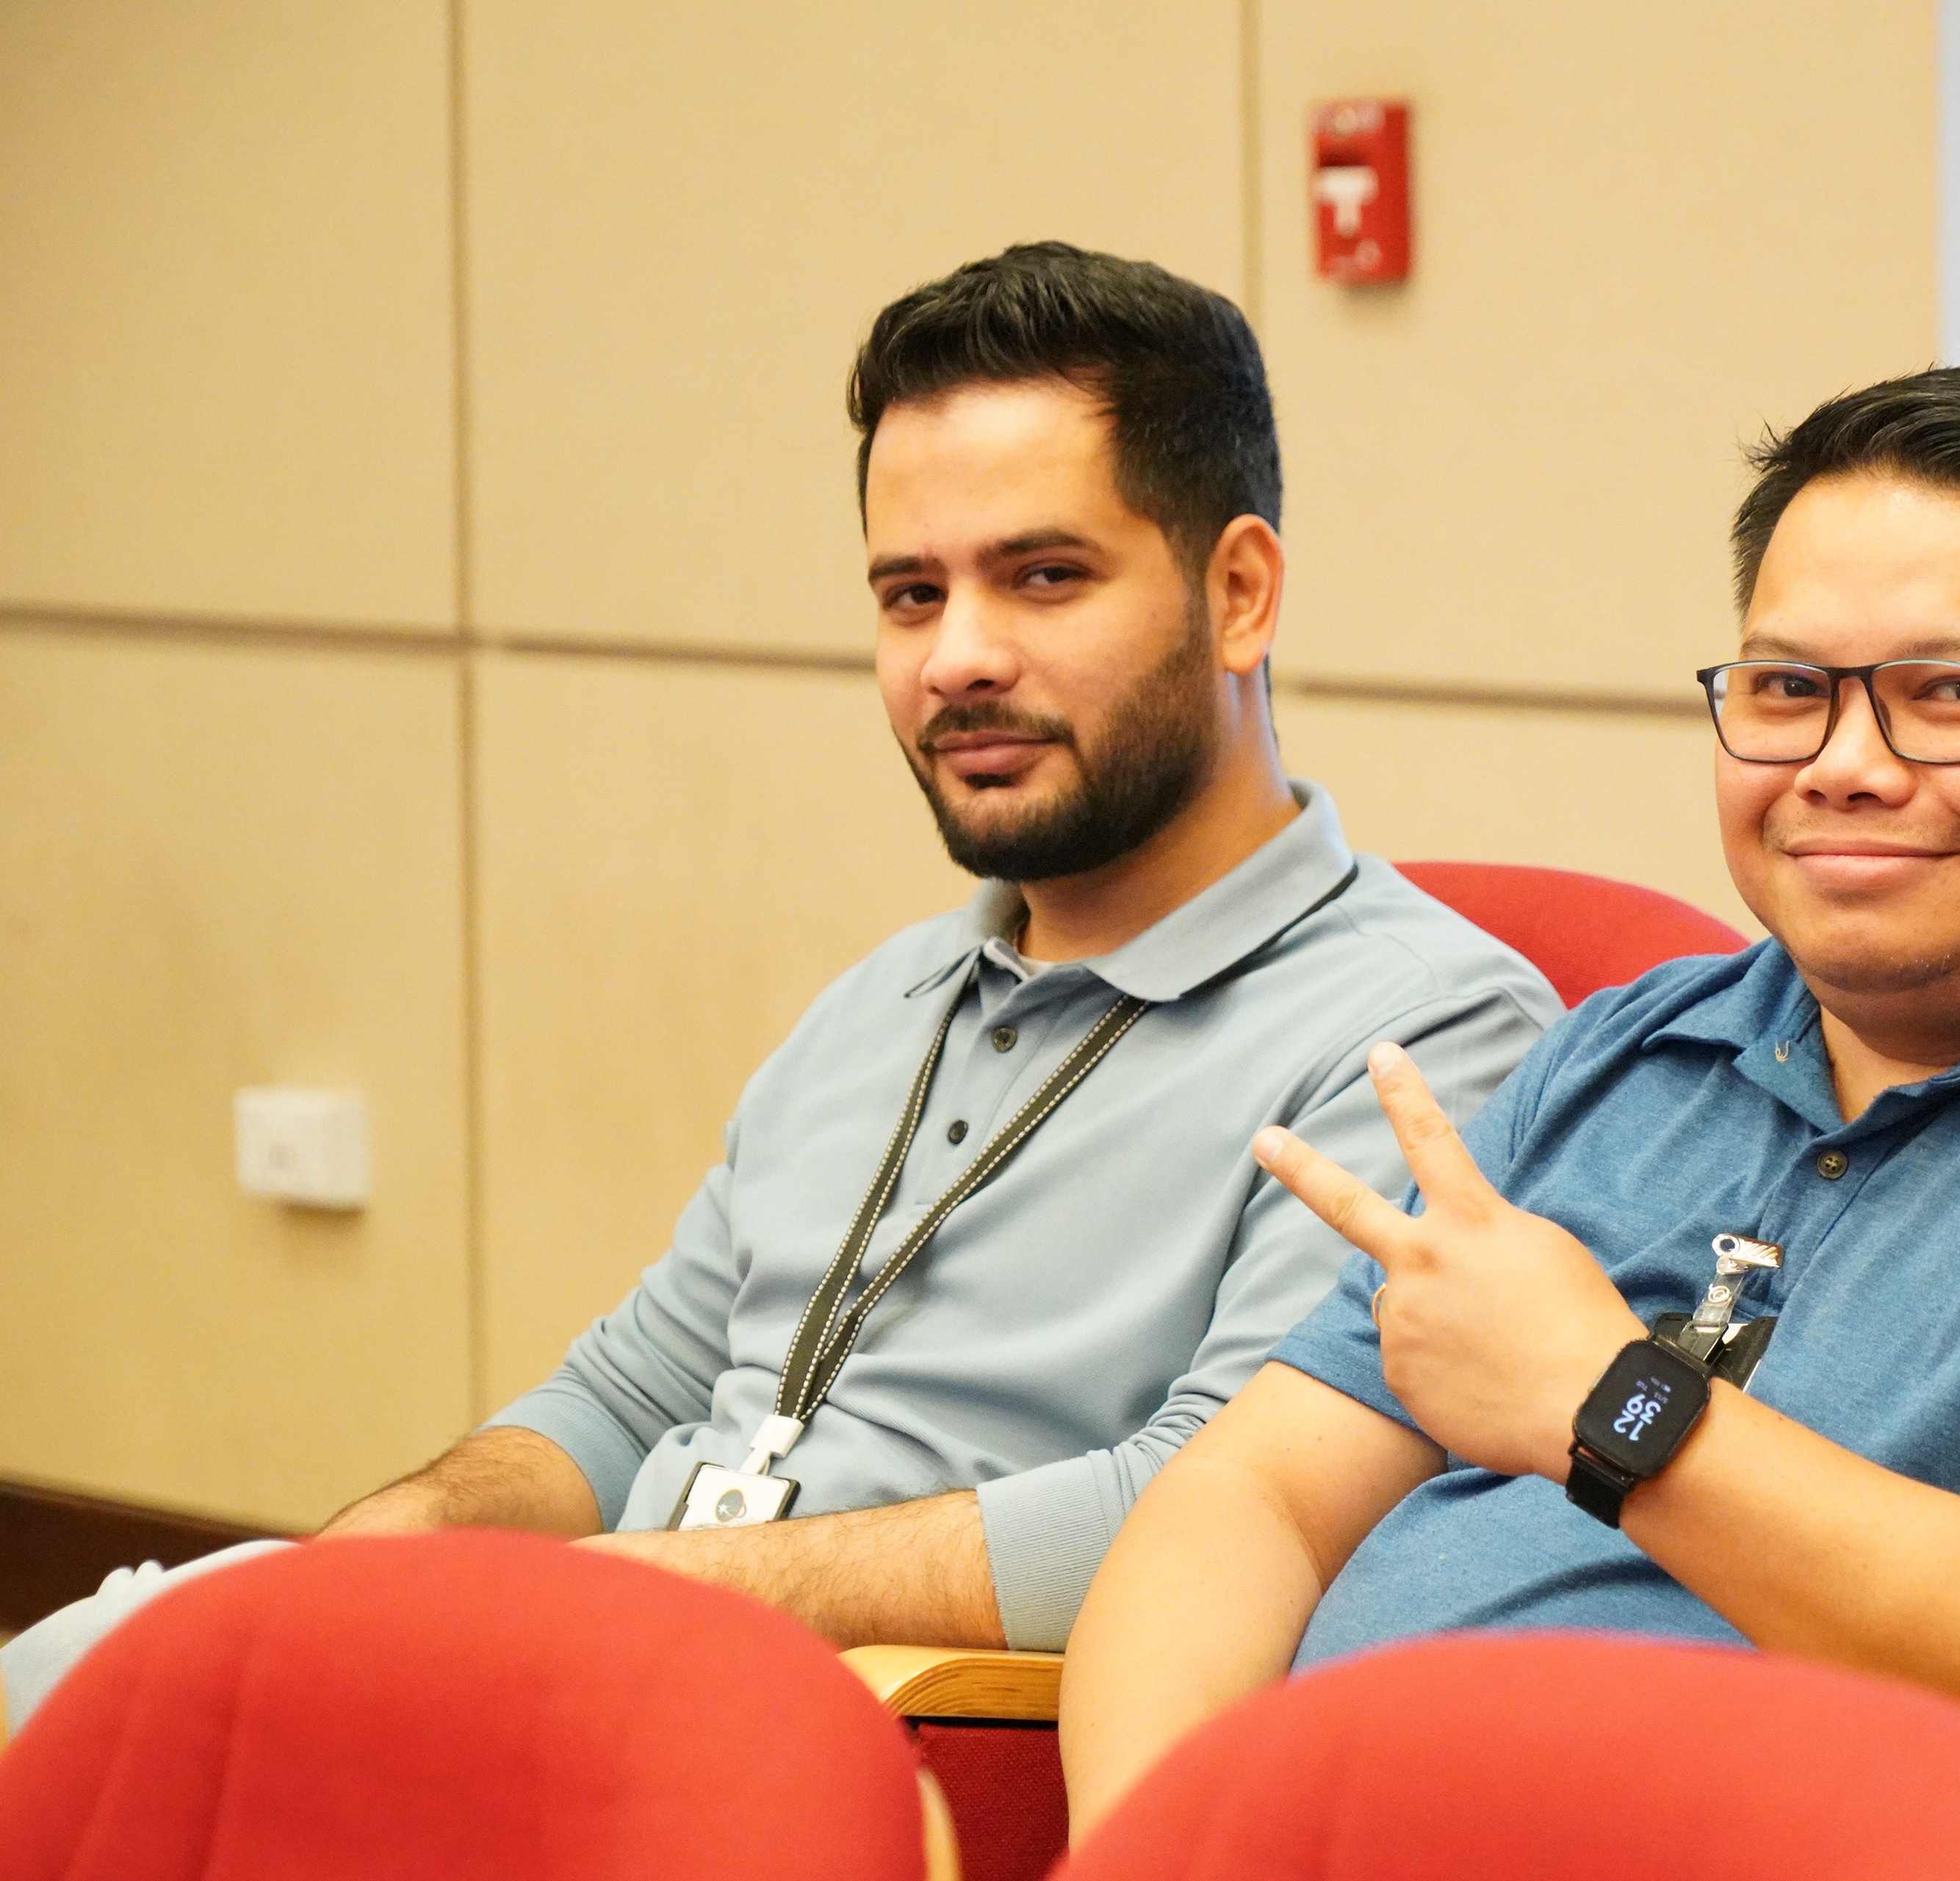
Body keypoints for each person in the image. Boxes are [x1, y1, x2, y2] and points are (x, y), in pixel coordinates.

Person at [0, 244, 1556, 1732]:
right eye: (910, 594)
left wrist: (626, 1598)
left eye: (1042, 577)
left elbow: (1213, 1515)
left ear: (1242, 594)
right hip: (599, 1666)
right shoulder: (887, 999)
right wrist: (385, 1556)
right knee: (84, 1670)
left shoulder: (1425, 1035)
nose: (957, 657)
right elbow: (629, 1396)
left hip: (851, 1749)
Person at [1059, 365, 1960, 1870]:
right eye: (1790, 693)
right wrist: (1148, 1847)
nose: (1845, 768)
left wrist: (1611, 1400)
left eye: (1955, 694)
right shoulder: (1632, 1053)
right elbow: (1257, 1499)